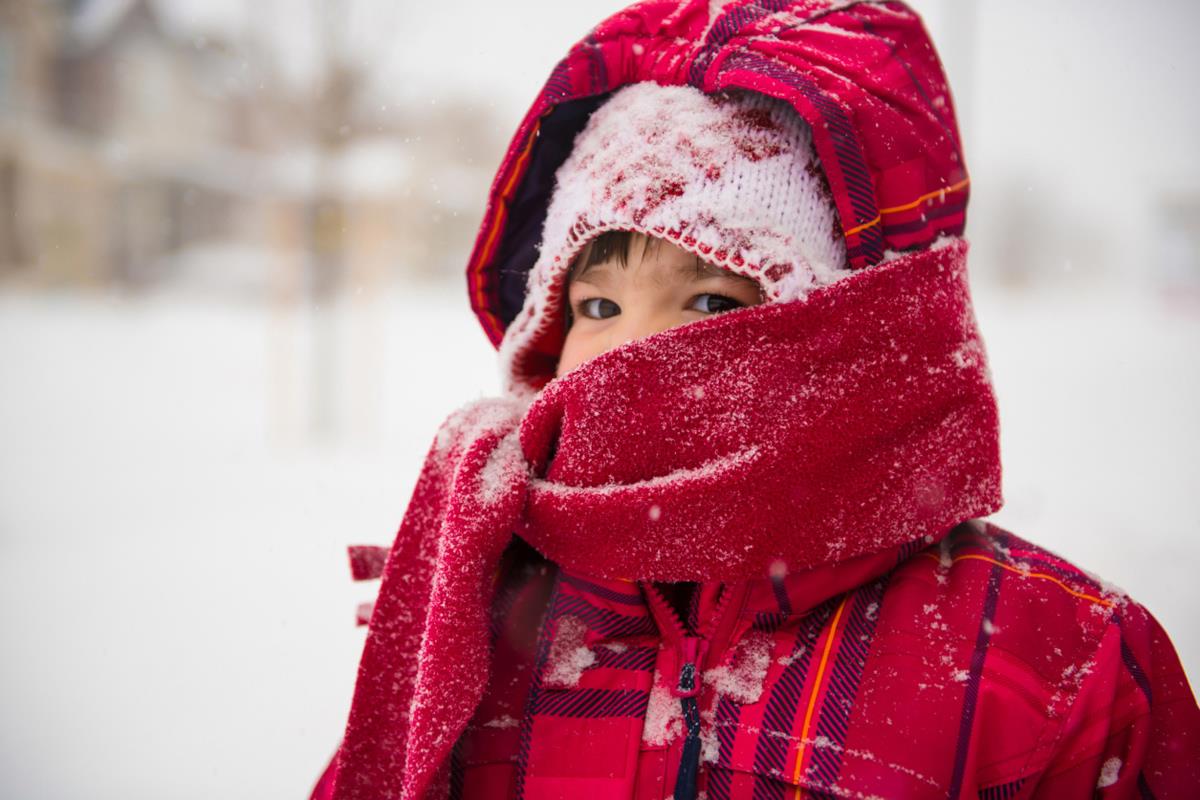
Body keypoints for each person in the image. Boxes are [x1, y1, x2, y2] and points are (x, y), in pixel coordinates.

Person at [312, 2, 1200, 798]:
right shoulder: (472, 613)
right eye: (597, 305)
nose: (634, 354)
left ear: (860, 336)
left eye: (711, 301)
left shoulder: (1050, 660)